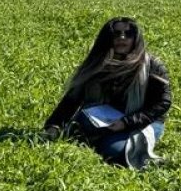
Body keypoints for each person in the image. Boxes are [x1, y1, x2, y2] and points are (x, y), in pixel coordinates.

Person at [43, 17, 171, 169]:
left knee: (115, 152)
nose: (121, 38)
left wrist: (126, 122)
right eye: (116, 34)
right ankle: (99, 136)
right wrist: (54, 125)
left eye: (128, 33)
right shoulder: (97, 63)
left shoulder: (152, 65)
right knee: (79, 127)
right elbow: (72, 99)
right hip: (103, 117)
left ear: (135, 38)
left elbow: (162, 103)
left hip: (141, 120)